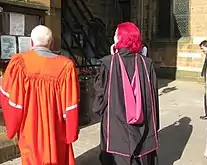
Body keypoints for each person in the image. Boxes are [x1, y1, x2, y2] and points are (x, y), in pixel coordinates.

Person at [0, 25, 79, 165]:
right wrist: (71, 131)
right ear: (51, 43)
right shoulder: (66, 66)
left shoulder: (19, 63)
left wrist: (13, 126)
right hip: (57, 129)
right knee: (58, 157)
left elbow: (10, 98)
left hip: (30, 128)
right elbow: (71, 104)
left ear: (31, 42)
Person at [93, 22, 159, 165]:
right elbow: (153, 97)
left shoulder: (108, 63)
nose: (113, 37)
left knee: (118, 154)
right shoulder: (147, 64)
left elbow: (100, 96)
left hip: (116, 125)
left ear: (120, 38)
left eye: (116, 34)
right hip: (143, 124)